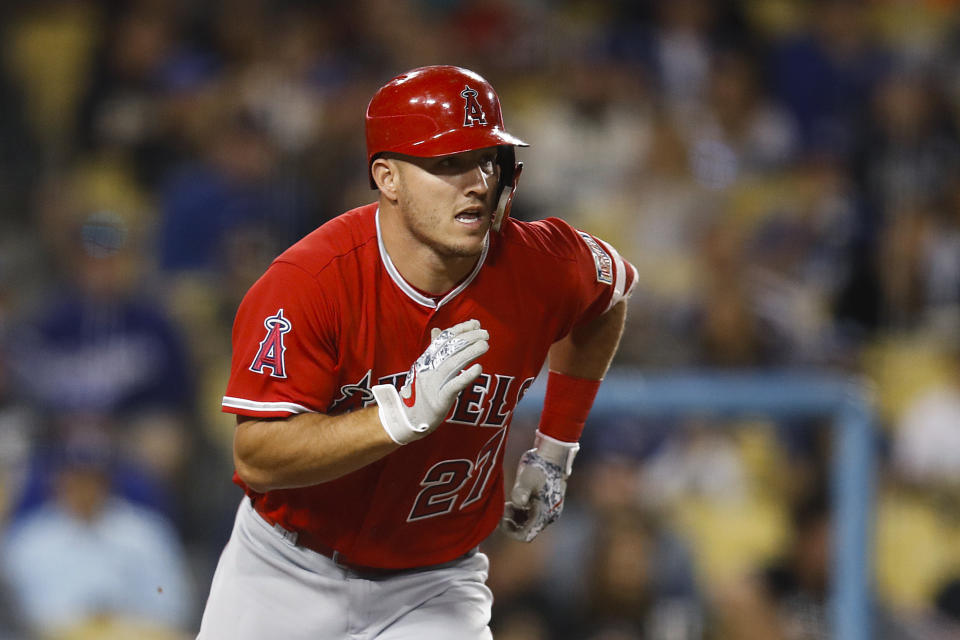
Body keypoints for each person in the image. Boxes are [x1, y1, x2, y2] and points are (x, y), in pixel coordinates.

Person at [197, 65, 637, 639]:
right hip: (286, 571)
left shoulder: (542, 263)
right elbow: (256, 455)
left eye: (487, 160)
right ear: (387, 177)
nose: (477, 182)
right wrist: (395, 419)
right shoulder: (310, 282)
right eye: (446, 164)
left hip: (435, 586)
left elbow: (610, 297)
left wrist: (555, 448)